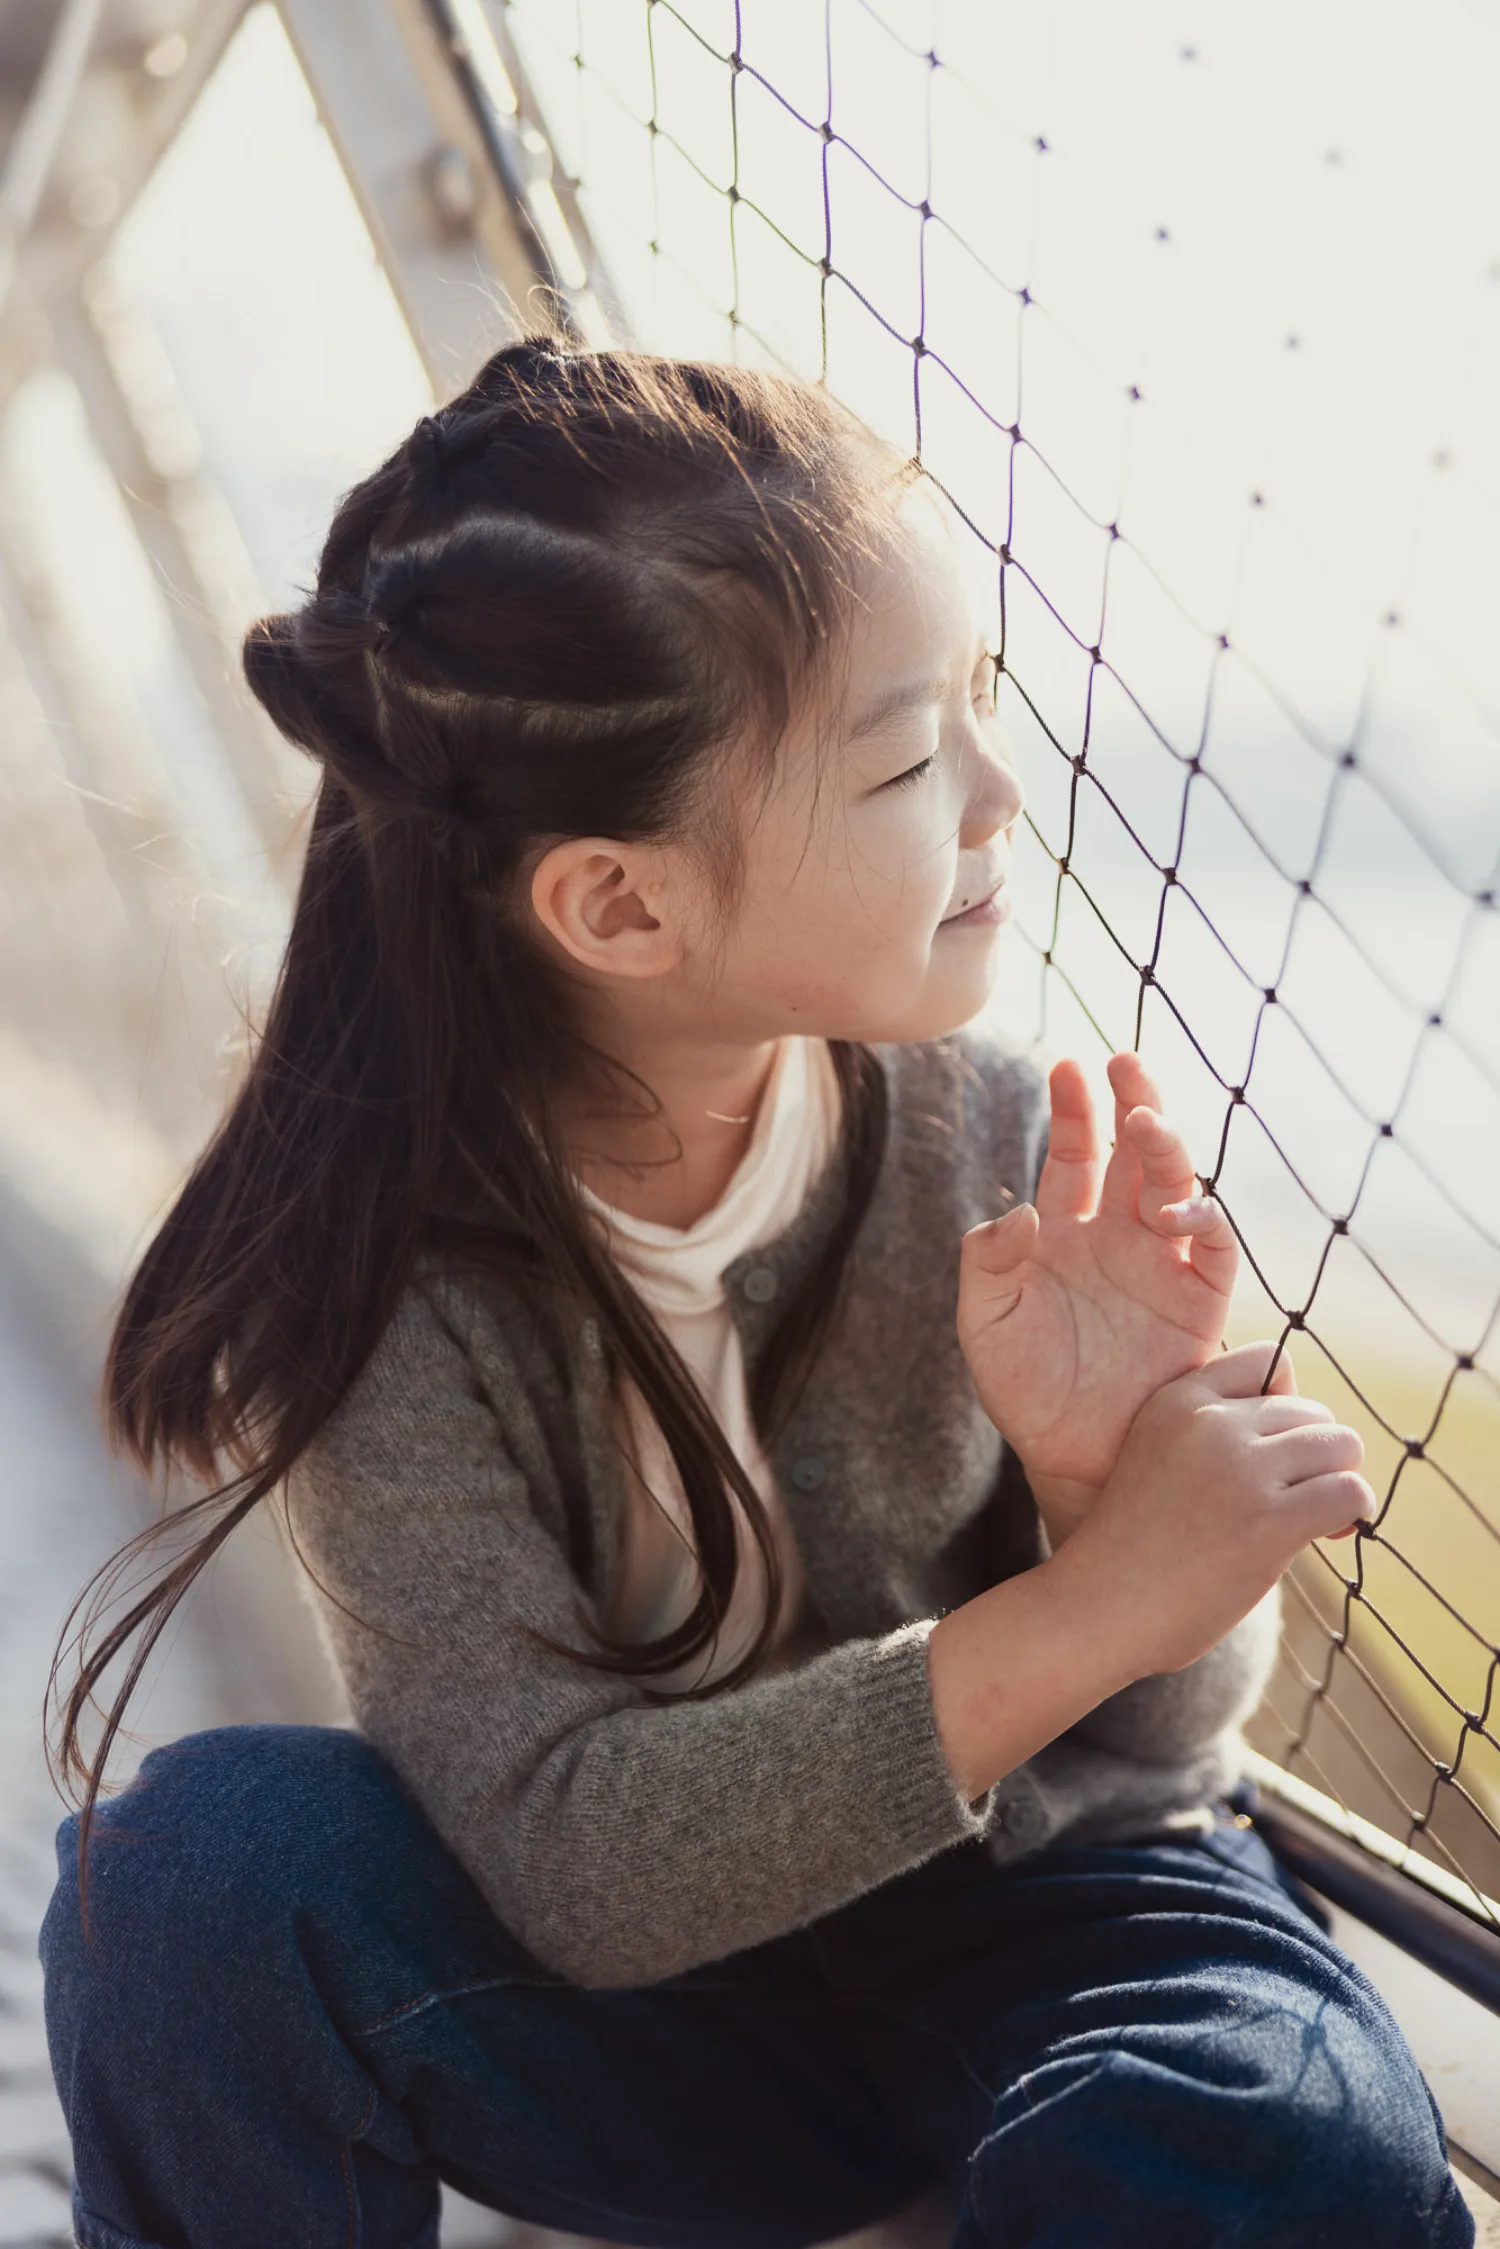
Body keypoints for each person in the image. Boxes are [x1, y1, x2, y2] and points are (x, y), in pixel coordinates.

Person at [38, 336, 1471, 2249]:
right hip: (665, 2011)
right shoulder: (386, 1269)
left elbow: (1156, 1754)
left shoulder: (995, 1139)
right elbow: (574, 1861)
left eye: (981, 700)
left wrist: (1101, 1493)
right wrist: (1093, 1593)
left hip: (1048, 1913)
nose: (1002, 788)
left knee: (1267, 2128)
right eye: (906, 757)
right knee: (181, 1878)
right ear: (622, 907)